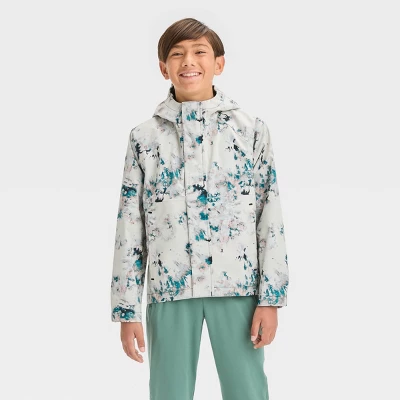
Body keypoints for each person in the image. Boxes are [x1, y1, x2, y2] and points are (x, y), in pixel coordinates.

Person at [110, 17, 289, 400]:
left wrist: (271, 298)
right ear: (164, 68)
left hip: (237, 287)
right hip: (169, 289)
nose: (188, 61)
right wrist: (127, 310)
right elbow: (130, 227)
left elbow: (269, 216)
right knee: (169, 392)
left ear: (218, 63)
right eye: (177, 54)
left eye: (199, 52)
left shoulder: (250, 130)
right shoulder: (144, 138)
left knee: (247, 390)